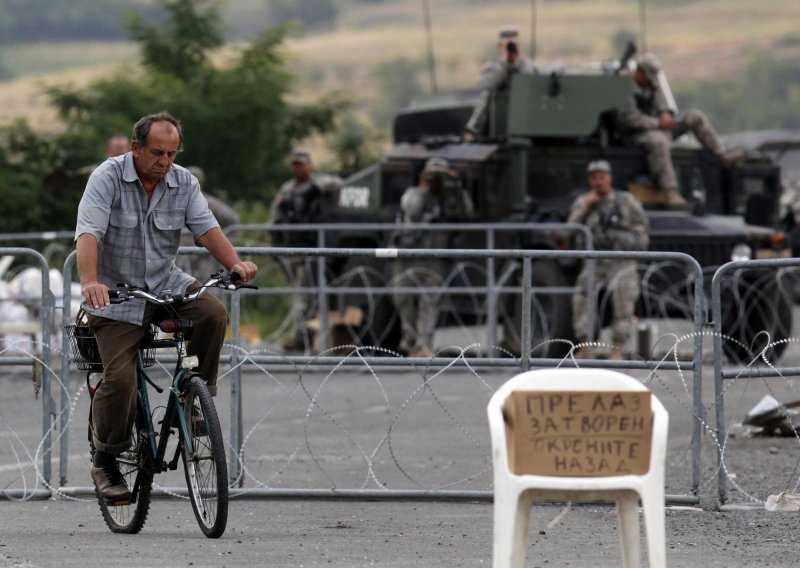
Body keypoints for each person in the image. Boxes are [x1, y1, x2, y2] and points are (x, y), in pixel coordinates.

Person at [75, 111, 258, 501]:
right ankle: (106, 459)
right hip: (117, 296)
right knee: (120, 380)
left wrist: (235, 264)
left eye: (172, 153)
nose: (165, 161)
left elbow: (207, 229)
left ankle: (196, 399)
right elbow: (88, 232)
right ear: (136, 147)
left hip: (165, 283)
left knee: (212, 313)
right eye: (157, 152)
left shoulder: (184, 181)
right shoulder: (107, 178)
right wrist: (91, 282)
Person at [617, 53, 740, 209]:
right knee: (659, 142)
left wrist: (665, 115)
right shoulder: (623, 87)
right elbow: (629, 120)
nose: (650, 81)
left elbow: (657, 107)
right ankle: (669, 190)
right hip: (634, 134)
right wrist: (658, 123)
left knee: (694, 117)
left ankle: (720, 154)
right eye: (648, 76)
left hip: (657, 127)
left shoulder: (649, 85)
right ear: (639, 72)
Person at [392, 157, 474, 357]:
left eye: (440, 176)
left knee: (430, 302)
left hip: (435, 257)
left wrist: (456, 186)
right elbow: (413, 212)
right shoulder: (414, 194)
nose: (436, 180)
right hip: (408, 256)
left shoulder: (451, 197)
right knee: (405, 300)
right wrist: (423, 187)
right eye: (432, 175)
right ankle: (409, 340)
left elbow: (467, 213)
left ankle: (424, 344)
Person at [569, 160, 649, 360]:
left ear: (610, 178)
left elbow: (641, 234)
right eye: (594, 178)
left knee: (624, 300)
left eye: (602, 177)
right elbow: (569, 230)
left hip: (620, 259)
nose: (598, 182)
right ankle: (586, 345)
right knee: (581, 298)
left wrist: (620, 239)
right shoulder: (583, 202)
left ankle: (618, 347)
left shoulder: (626, 202)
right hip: (594, 260)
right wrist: (585, 208)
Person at [269, 148, 341, 351]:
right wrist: (273, 249)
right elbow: (275, 219)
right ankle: (302, 335)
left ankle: (301, 336)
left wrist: (316, 188)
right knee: (300, 295)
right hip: (291, 250)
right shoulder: (287, 190)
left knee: (304, 296)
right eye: (295, 164)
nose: (298, 168)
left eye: (302, 164)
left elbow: (338, 183)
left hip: (309, 250)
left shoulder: (319, 184)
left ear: (309, 165)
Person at [465, 25, 537, 138]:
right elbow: (487, 86)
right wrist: (505, 64)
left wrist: (518, 61)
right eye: (508, 45)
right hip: (494, 122)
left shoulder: (527, 65)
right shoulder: (493, 67)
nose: (511, 48)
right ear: (500, 46)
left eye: (513, 45)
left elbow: (531, 81)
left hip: (525, 119)